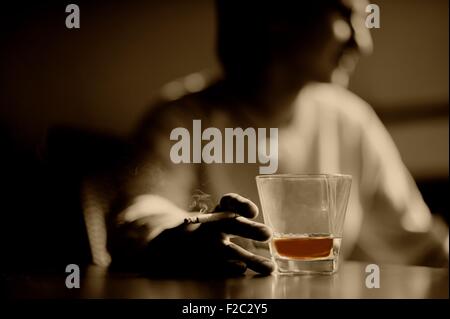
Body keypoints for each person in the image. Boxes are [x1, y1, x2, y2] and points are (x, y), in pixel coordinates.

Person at [107, 0, 448, 276]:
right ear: (278, 16)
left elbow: (423, 246)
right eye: (347, 14)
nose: (364, 42)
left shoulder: (351, 121)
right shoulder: (181, 118)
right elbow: (142, 214)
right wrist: (184, 236)